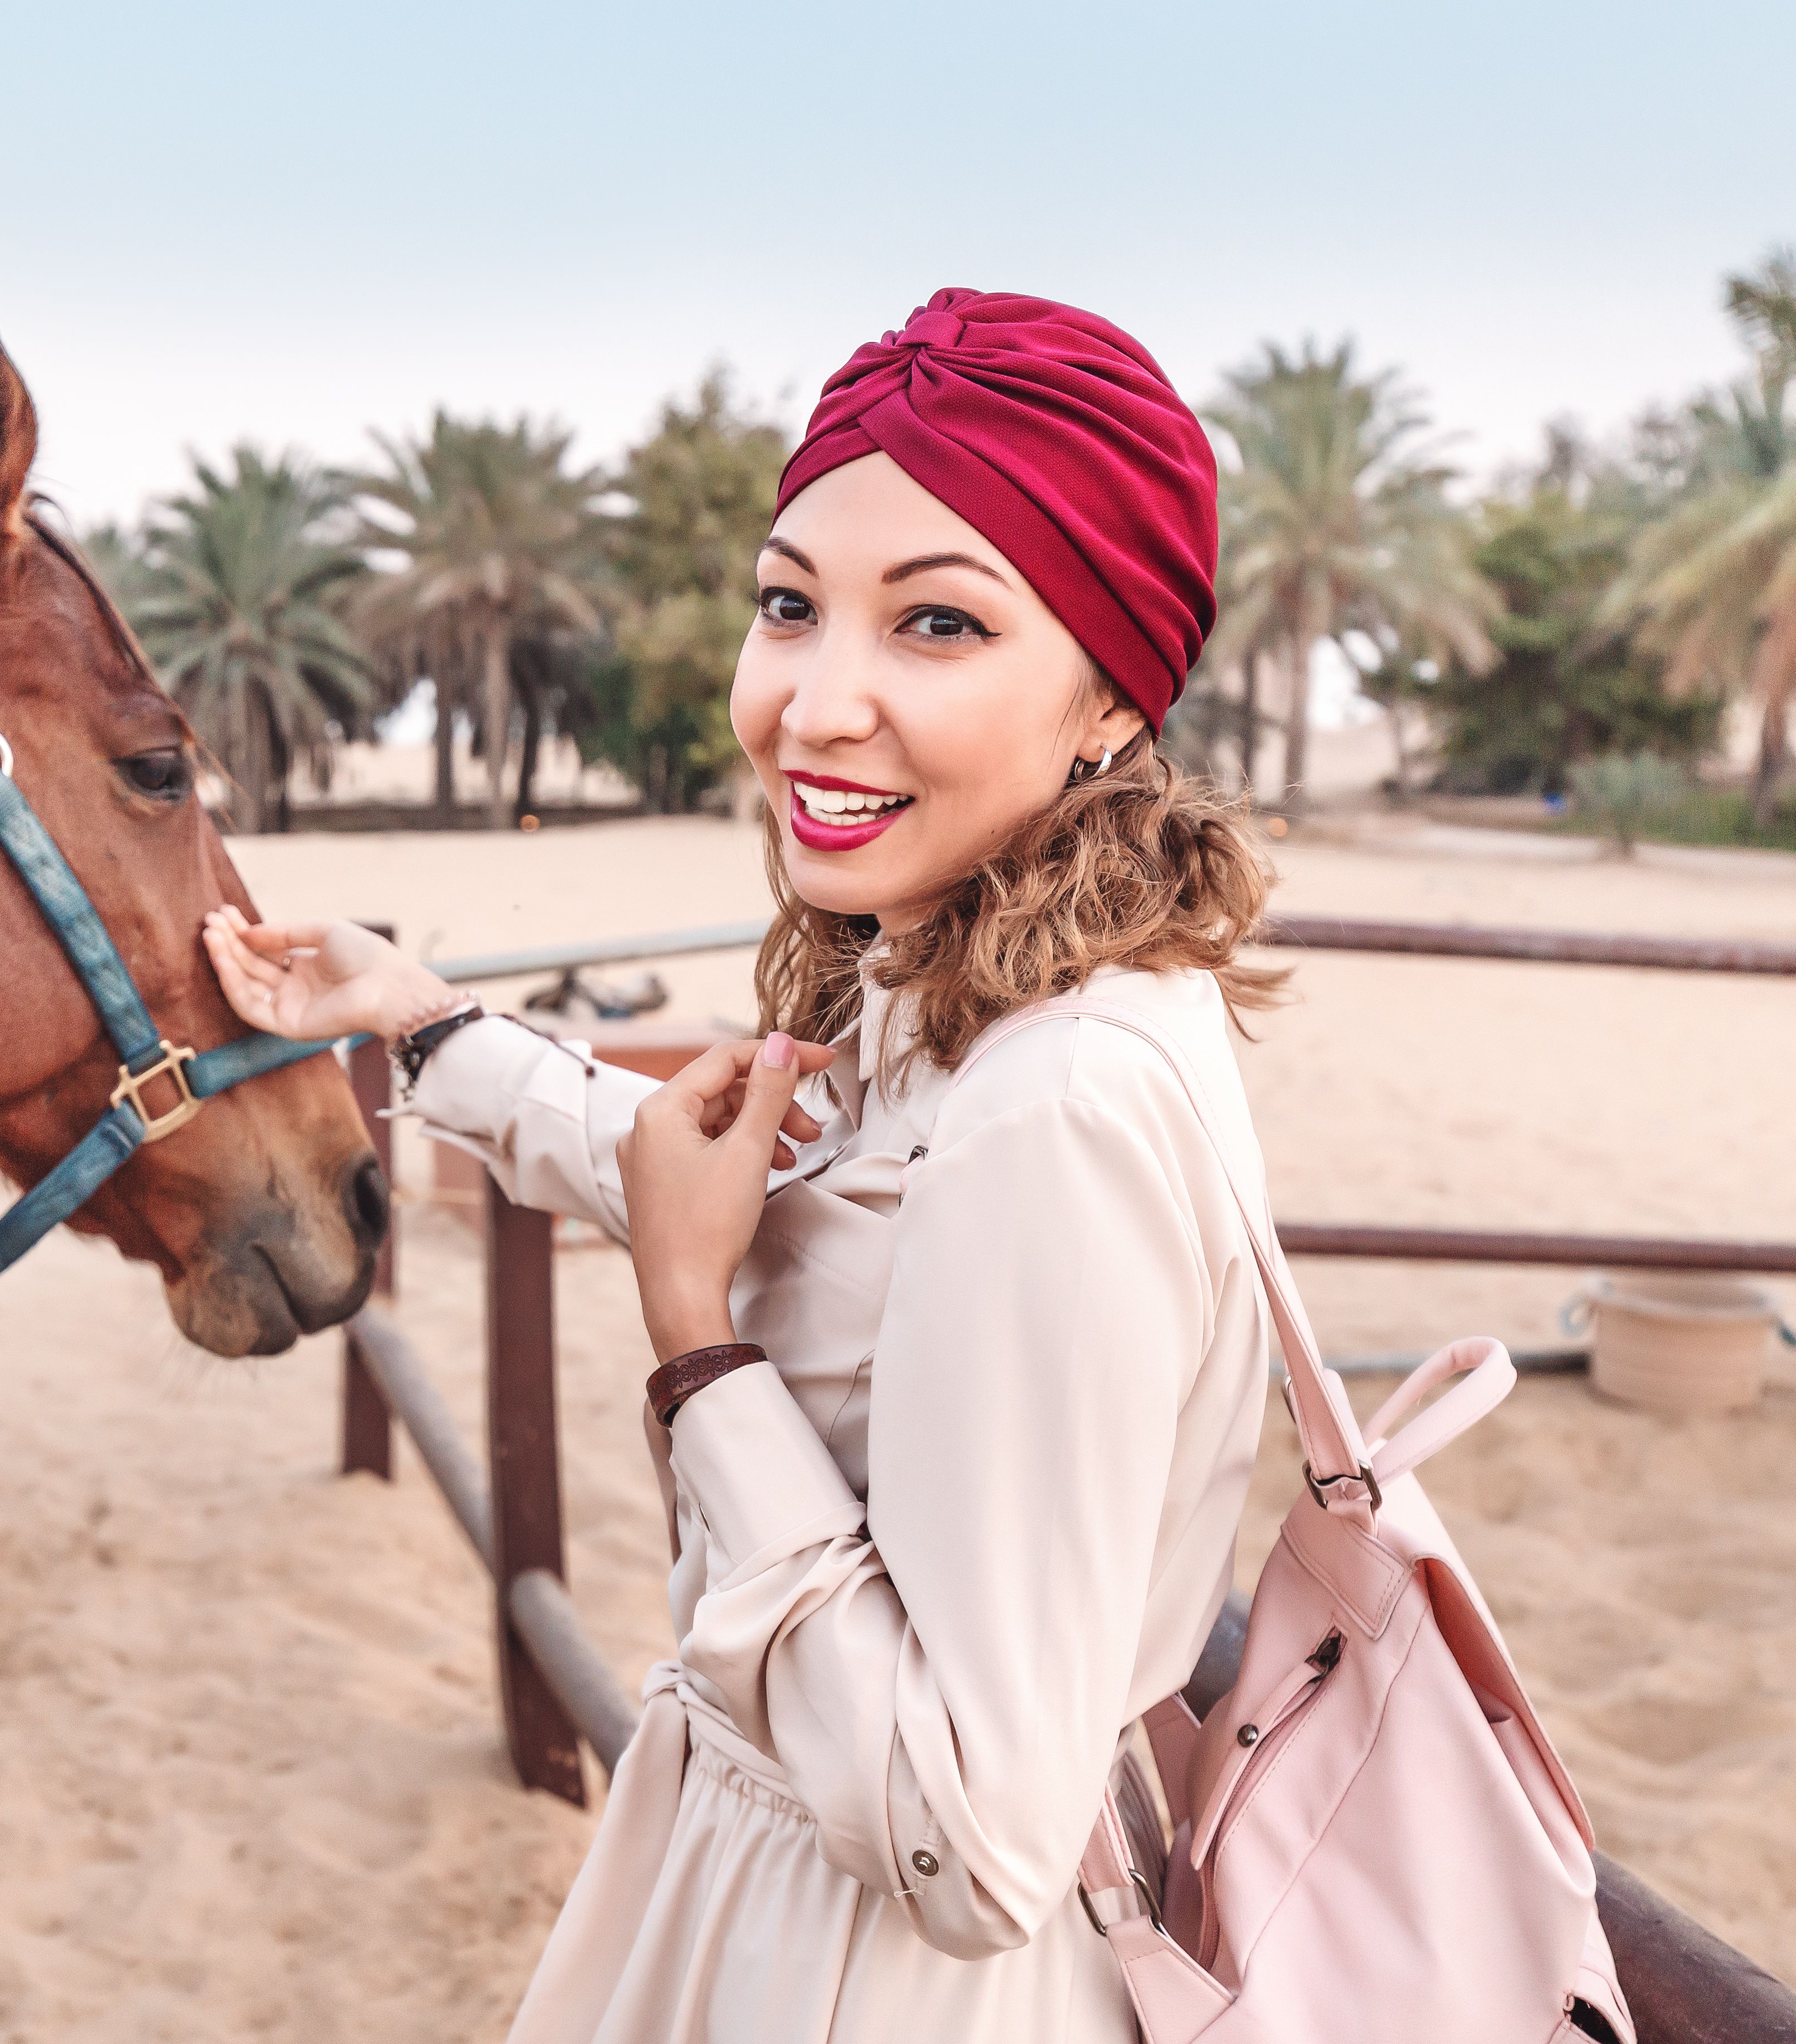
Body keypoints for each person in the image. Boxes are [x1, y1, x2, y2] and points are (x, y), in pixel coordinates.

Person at [203, 289, 1287, 2042]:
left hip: (869, 1970)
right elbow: (777, 1200)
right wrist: (420, 1023)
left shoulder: (1057, 1107)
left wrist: (696, 1340)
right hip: (762, 1893)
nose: (813, 701)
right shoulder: (966, 987)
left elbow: (974, 1840)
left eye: (938, 623)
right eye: (791, 605)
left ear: (1106, 697)